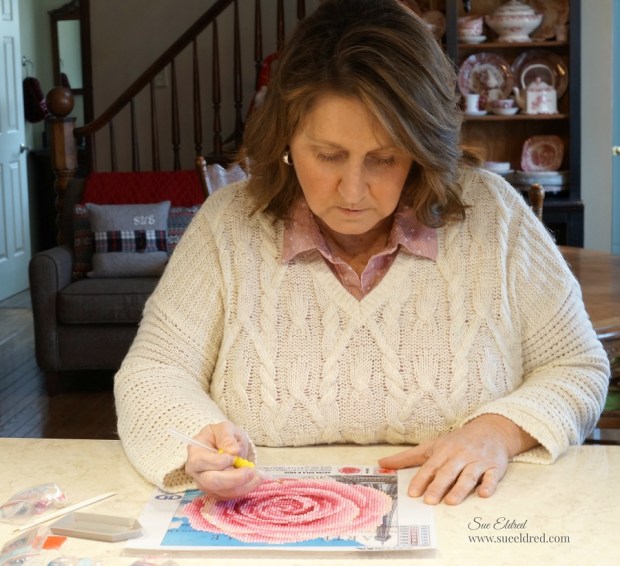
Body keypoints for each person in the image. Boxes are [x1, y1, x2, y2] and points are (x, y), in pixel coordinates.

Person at [114, 0, 609, 506]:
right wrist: (198, 439)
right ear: (286, 140)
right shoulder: (227, 224)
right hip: (266, 519)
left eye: (384, 159)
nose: (352, 190)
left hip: (468, 519)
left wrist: (498, 432)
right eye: (328, 155)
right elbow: (152, 374)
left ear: (421, 150)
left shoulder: (495, 216)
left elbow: (577, 367)